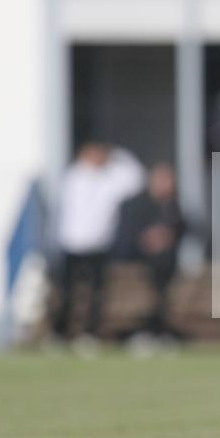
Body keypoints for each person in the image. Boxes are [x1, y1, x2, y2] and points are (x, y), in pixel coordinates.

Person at [54, 143, 144, 342]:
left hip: (98, 245)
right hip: (72, 243)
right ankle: (60, 334)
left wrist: (116, 154)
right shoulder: (72, 177)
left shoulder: (110, 179)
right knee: (67, 291)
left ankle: (89, 333)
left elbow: (136, 178)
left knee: (97, 294)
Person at [112, 163, 186, 341]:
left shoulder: (172, 206)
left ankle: (159, 326)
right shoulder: (135, 205)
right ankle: (150, 327)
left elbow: (186, 227)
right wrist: (146, 240)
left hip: (164, 264)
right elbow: (126, 235)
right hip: (135, 259)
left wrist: (168, 236)